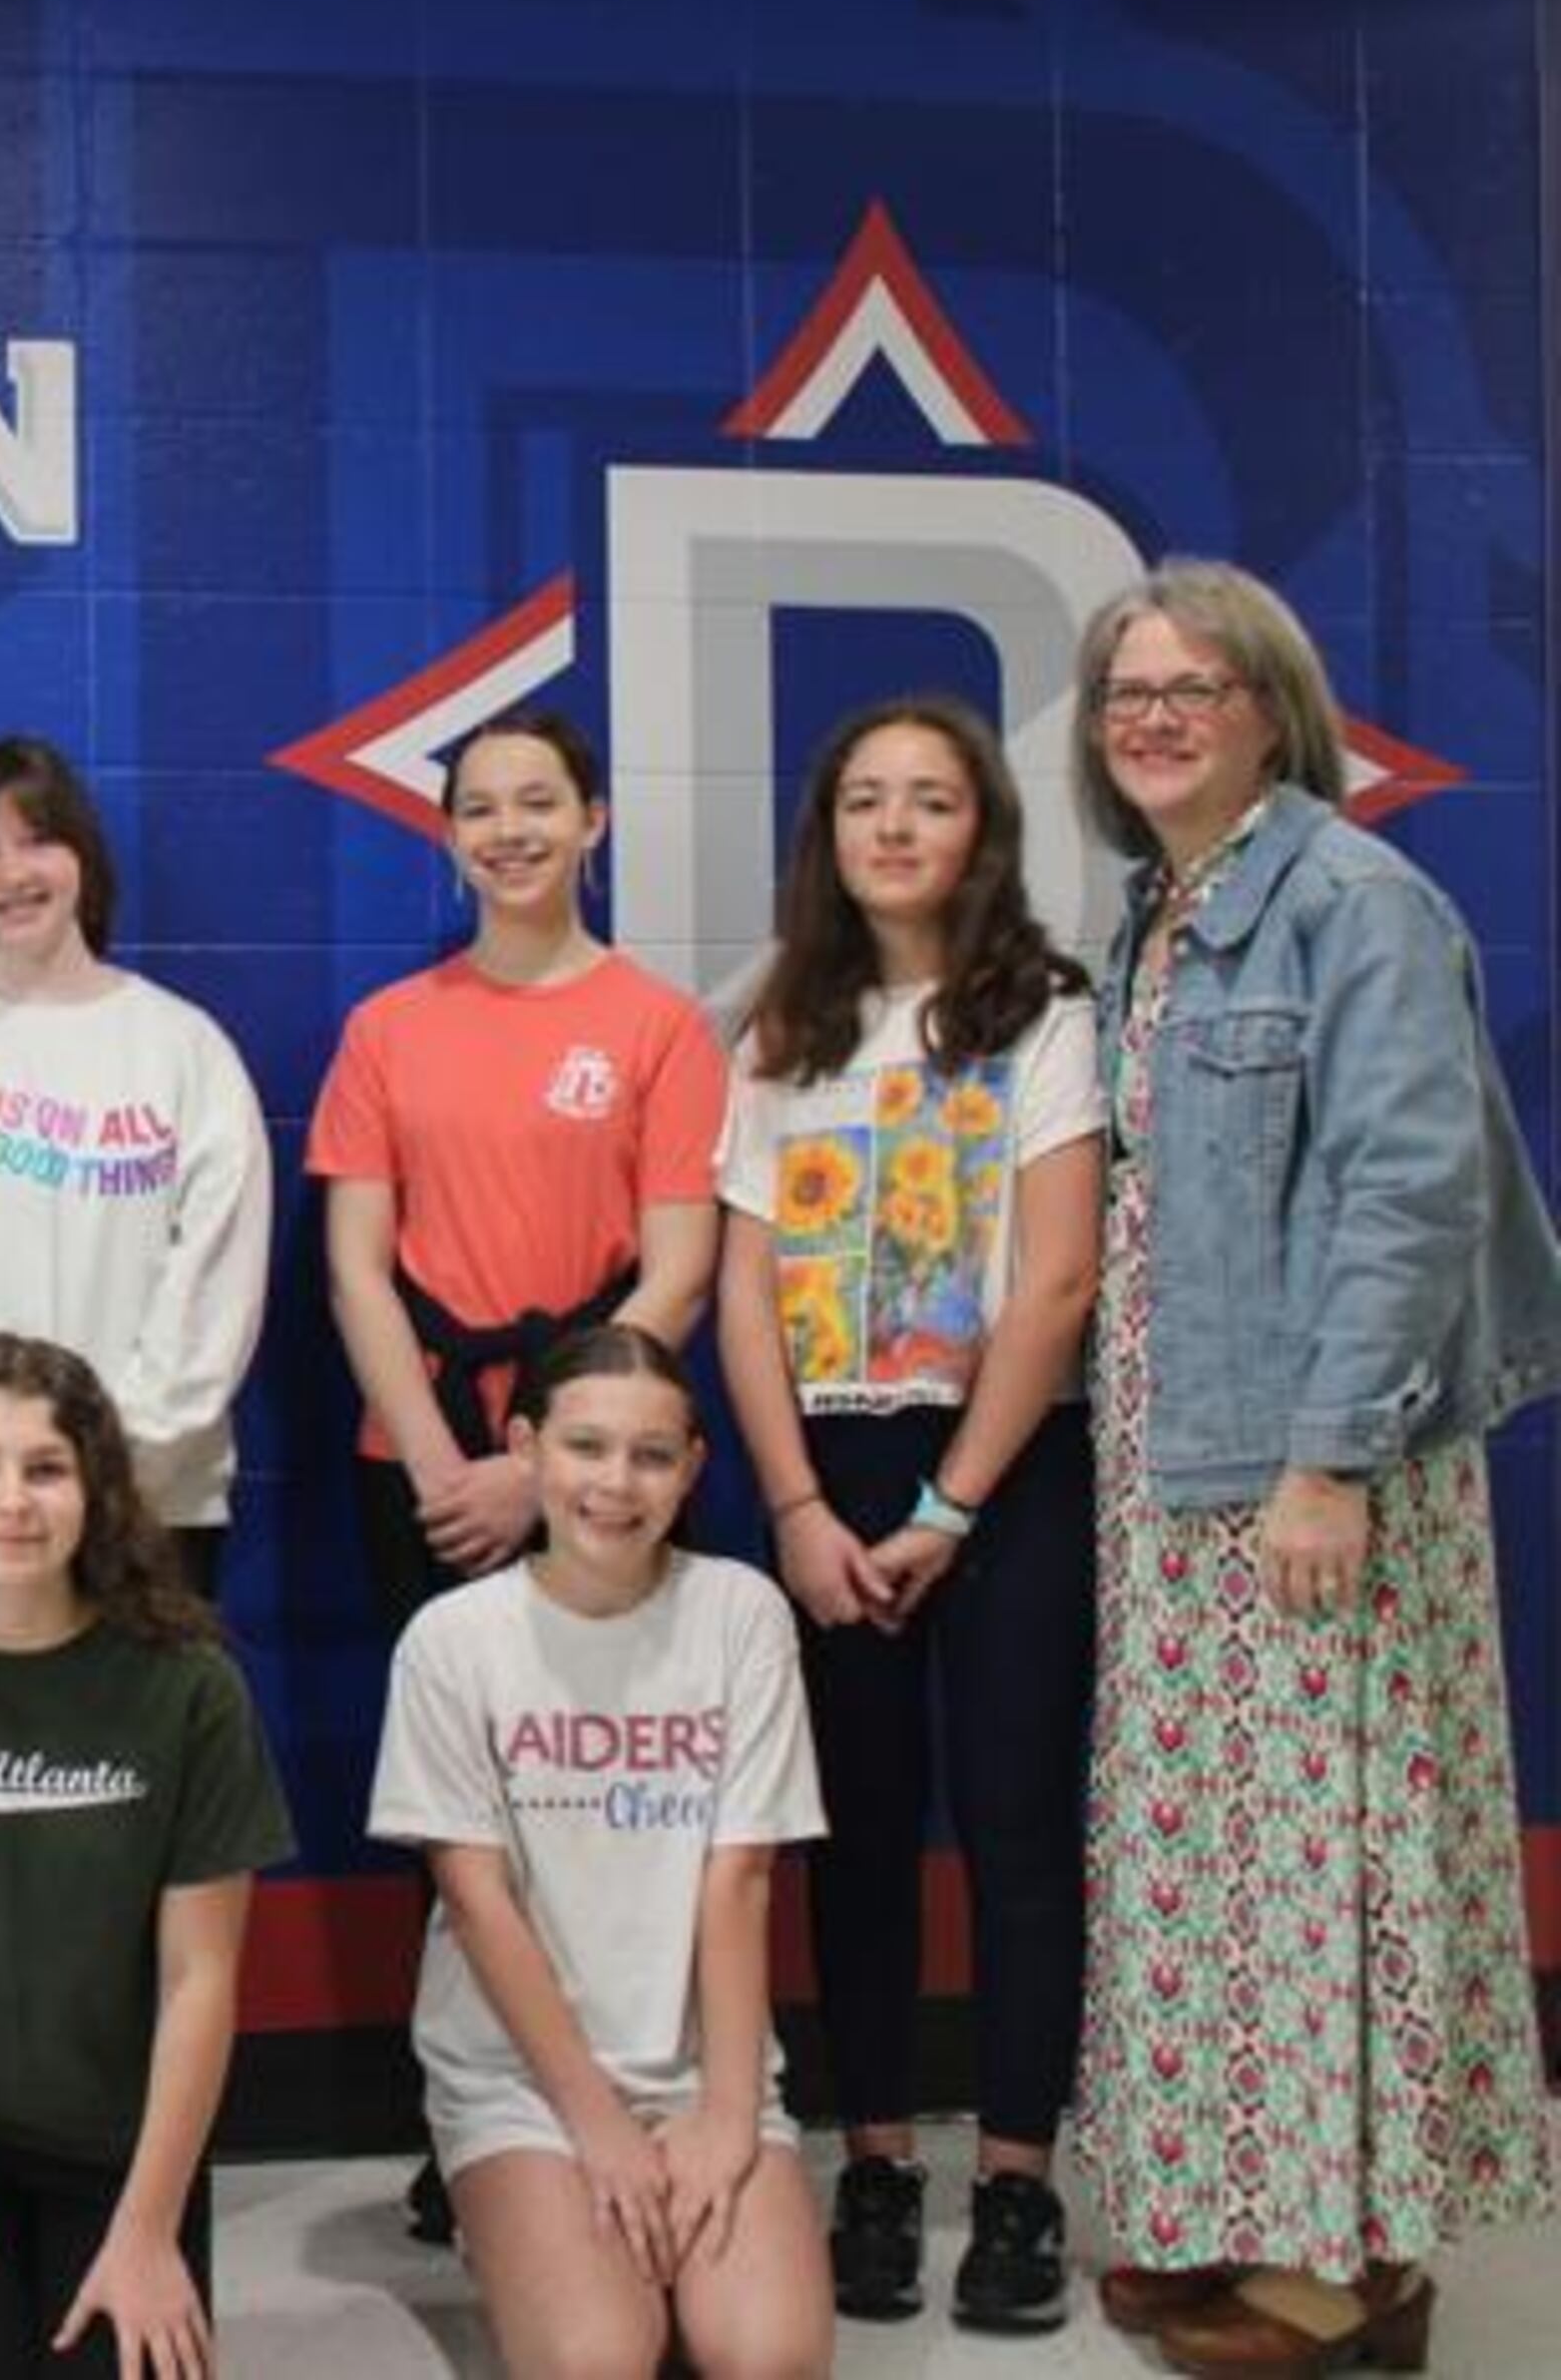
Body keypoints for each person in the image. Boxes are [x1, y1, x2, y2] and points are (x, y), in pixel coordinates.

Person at [1060, 561, 1560, 2374]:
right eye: (1128, 691)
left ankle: (1355, 2272)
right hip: (1184, 1471)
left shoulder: (1352, 899)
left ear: (1275, 708)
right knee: (1223, 1870)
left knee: (1327, 1863)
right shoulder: (1169, 910)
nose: (1157, 717)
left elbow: (1409, 1200)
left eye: (1196, 686)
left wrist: (1330, 1460)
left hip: (1303, 1471)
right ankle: (1258, 2211)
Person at [307, 709, 725, 2240]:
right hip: (420, 1469)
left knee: (609, 1801)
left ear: (593, 820)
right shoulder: (390, 1029)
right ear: (449, 832)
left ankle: (631, 2096)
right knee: (465, 1813)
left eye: (537, 802)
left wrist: (548, 1468)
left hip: (604, 1472)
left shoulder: (658, 1026)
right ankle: (468, 2122)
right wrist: (446, 1465)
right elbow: (356, 1265)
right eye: (479, 807)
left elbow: (676, 1265)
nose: (509, 830)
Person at [712, 697, 1102, 2332]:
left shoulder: (1046, 1014)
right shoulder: (778, 1029)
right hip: (830, 1476)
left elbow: (1058, 1276)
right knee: (856, 1843)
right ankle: (873, 2164)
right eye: (865, 800)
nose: (893, 827)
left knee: (1014, 1839)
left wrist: (950, 1507)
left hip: (1000, 1476)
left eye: (928, 800)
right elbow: (742, 1293)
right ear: (829, 832)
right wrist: (798, 1507)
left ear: (980, 827)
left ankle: (1015, 2179)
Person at [0, 1337, 290, 2380]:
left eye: (46, 1467)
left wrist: (152, 2228)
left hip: (122, 2156)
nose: (11, 1501)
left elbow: (200, 1978)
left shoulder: (189, 1687)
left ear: (98, 1491)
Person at [364, 1325, 833, 2380]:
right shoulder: (452, 1640)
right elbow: (478, 1903)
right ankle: (559, 2252)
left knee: (769, 2356)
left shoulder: (741, 1615)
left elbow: (739, 1878)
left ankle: (669, 2242)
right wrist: (597, 2123)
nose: (615, 1483)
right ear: (525, 1447)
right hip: (524, 2081)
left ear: (693, 1469)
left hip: (702, 2063)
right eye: (585, 1447)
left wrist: (722, 2111)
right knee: (599, 2360)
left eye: (652, 1454)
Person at [0, 739, 273, 1597]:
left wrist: (105, 1463)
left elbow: (215, 1281)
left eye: (36, 841)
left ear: (83, 857)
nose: (11, 874)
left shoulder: (184, 1047)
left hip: (153, 1501)